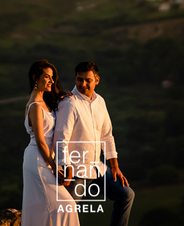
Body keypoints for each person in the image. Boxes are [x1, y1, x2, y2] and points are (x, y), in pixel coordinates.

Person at [53, 61, 134, 226]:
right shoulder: (69, 104)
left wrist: (115, 166)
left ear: (97, 80)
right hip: (75, 171)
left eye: (87, 80)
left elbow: (107, 135)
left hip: (97, 168)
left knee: (126, 194)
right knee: (66, 214)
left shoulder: (100, 102)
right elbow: (61, 139)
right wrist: (65, 167)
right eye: (79, 79)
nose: (82, 84)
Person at [22, 60, 79, 226]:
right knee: (67, 205)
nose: (51, 81)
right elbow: (40, 140)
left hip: (44, 159)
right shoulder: (35, 106)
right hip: (38, 160)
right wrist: (55, 166)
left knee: (46, 207)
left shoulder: (44, 103)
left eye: (52, 77)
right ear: (35, 78)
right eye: (47, 77)